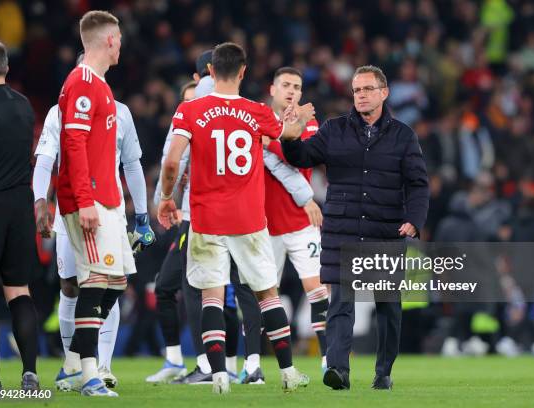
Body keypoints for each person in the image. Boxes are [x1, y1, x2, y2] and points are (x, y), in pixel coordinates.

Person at [158, 42, 313, 394]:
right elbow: (287, 136)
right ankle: (288, 373)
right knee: (267, 295)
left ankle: (218, 378)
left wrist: (167, 198)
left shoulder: (189, 111)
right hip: (249, 220)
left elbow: (171, 162)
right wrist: (299, 119)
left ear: (210, 72)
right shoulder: (256, 111)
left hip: (206, 218)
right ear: (243, 72)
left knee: (211, 296)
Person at [281, 65, 429, 391]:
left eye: (366, 89)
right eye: (356, 90)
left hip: (386, 230)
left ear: (384, 92)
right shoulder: (334, 130)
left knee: (388, 306)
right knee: (340, 303)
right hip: (343, 230)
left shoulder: (404, 135)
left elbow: (418, 184)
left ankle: (384, 372)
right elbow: (301, 157)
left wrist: (415, 221)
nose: (360, 96)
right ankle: (337, 370)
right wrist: (292, 131)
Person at [33, 55, 153, 392]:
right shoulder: (59, 113)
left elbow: (132, 165)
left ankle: (99, 365)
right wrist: (40, 200)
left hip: (110, 213)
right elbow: (45, 162)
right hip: (72, 211)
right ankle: (76, 364)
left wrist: (141, 214)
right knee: (72, 286)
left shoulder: (122, 113)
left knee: (106, 282)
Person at [57, 10, 132, 397]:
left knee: (117, 280)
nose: (121, 44)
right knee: (95, 280)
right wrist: (85, 201)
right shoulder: (83, 82)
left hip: (108, 201)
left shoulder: (100, 85)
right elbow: (73, 145)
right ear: (108, 41)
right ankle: (89, 376)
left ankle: (73, 360)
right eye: (118, 38)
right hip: (89, 202)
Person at [0, 39, 40, 394]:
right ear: (4, 67)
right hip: (21, 207)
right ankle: (30, 376)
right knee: (19, 292)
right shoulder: (24, 106)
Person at [264, 66, 329, 372]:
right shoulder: (257, 121)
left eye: (297, 87)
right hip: (264, 225)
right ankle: (255, 364)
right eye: (286, 85)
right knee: (262, 296)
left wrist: (273, 143)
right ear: (272, 89)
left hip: (302, 223)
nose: (291, 91)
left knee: (317, 289)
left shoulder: (310, 122)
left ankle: (330, 360)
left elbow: (299, 156)